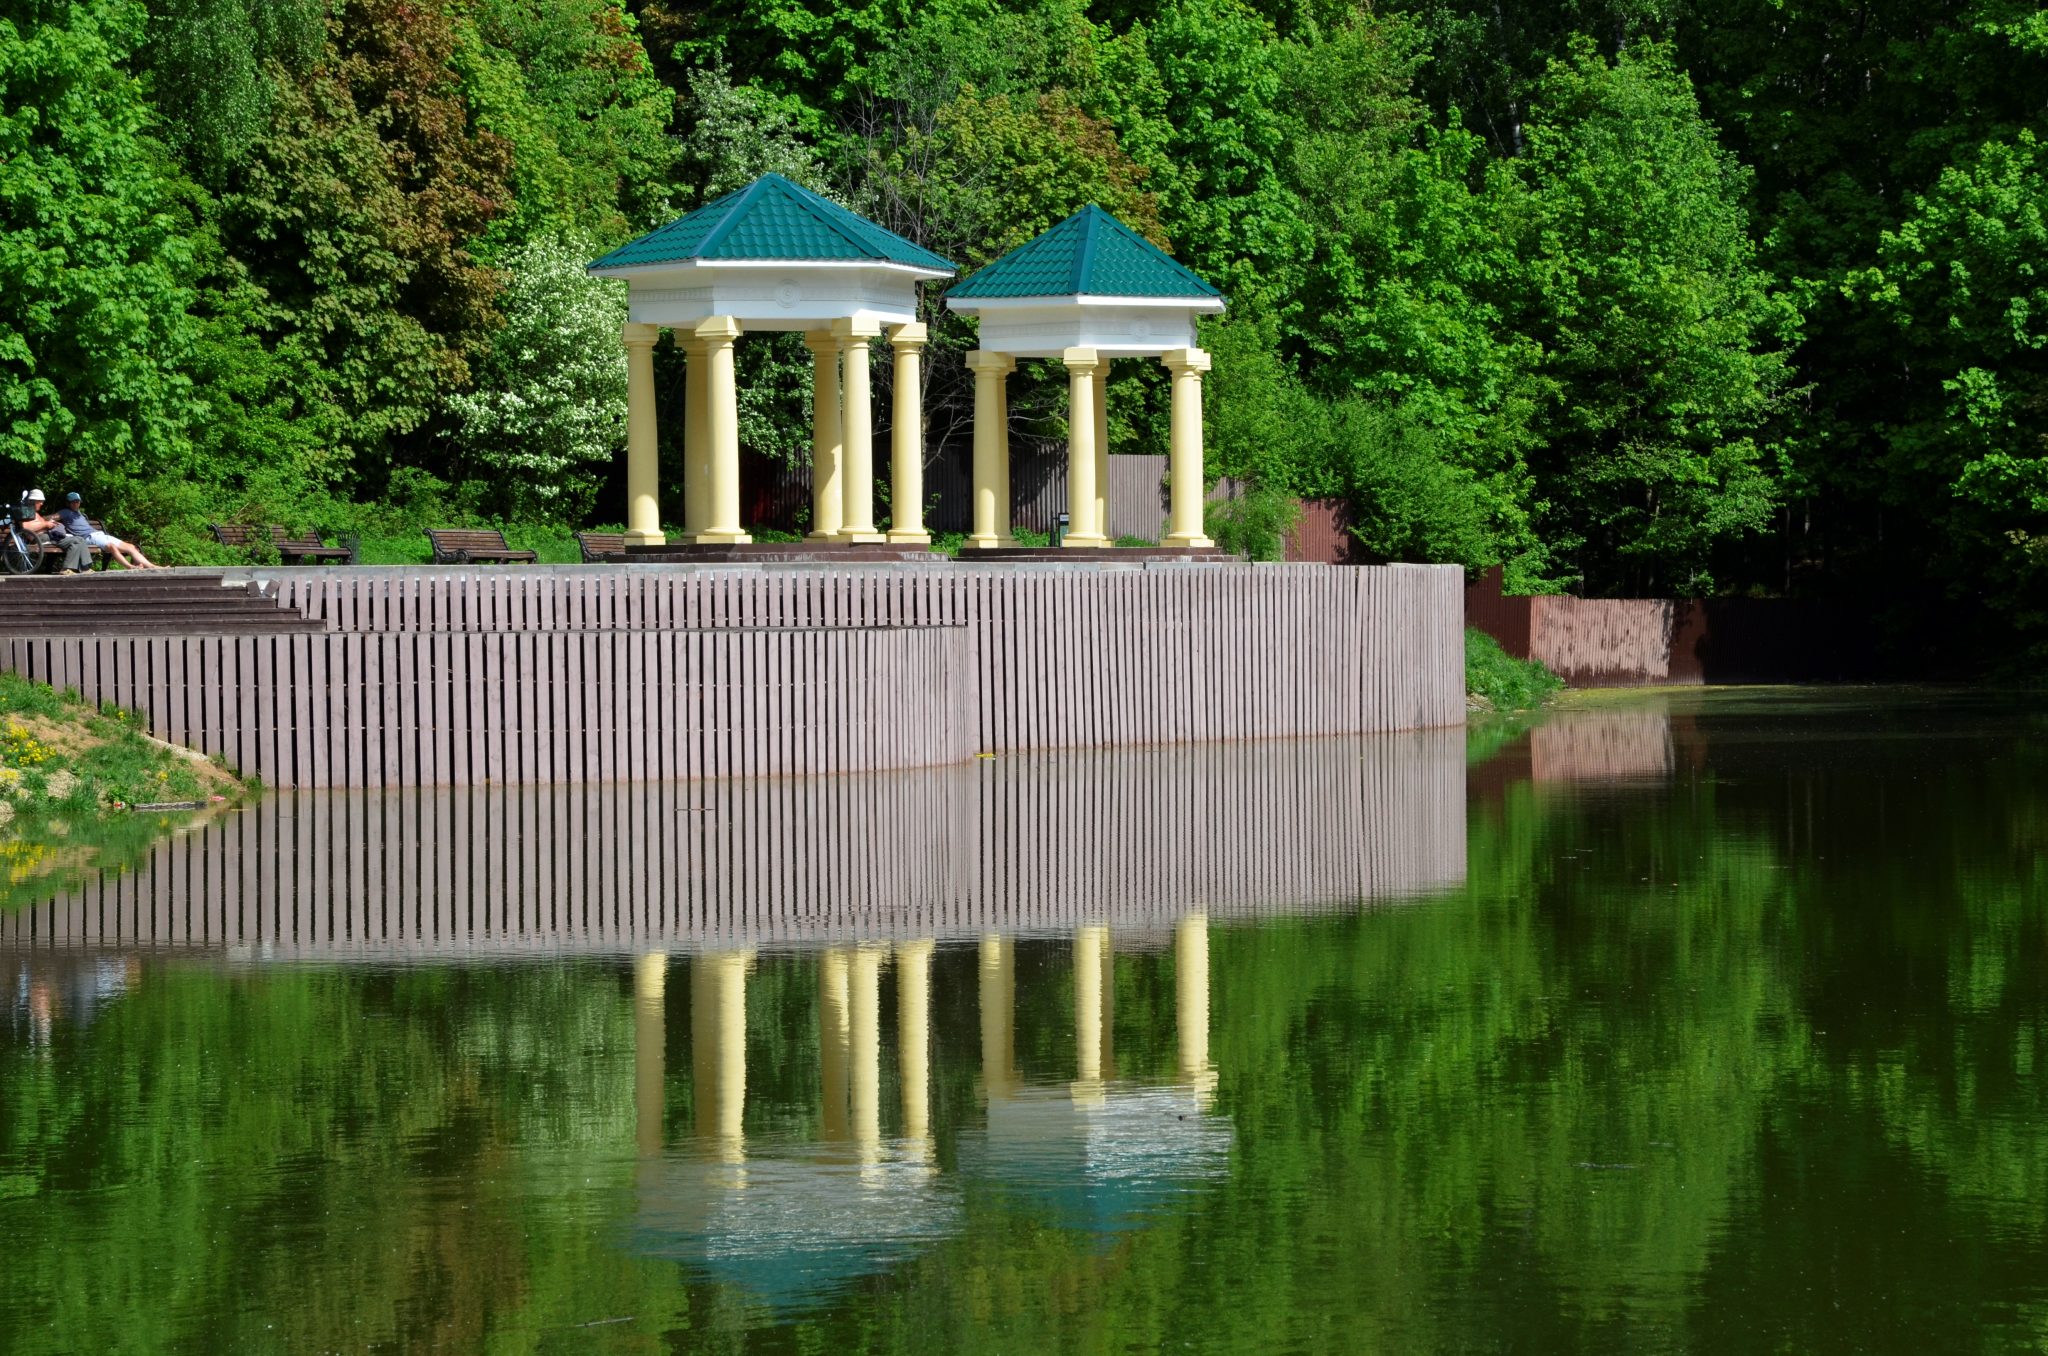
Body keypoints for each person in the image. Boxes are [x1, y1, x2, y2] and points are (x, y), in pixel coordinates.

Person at [55, 491, 159, 569]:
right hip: (88, 537)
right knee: (112, 547)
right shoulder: (65, 512)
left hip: (99, 534)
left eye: (77, 502)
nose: (76, 504)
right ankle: (131, 567)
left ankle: (152, 566)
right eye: (73, 502)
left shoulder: (79, 513)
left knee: (131, 547)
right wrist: (43, 520)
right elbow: (51, 517)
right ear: (68, 503)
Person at [18, 488, 94, 573]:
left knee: (79, 540)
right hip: (40, 538)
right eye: (40, 501)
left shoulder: (33, 512)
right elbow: (26, 527)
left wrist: (50, 523)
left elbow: (40, 524)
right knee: (76, 540)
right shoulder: (25, 511)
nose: (42, 504)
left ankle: (84, 567)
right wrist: (46, 524)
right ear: (33, 501)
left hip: (48, 536)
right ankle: (66, 569)